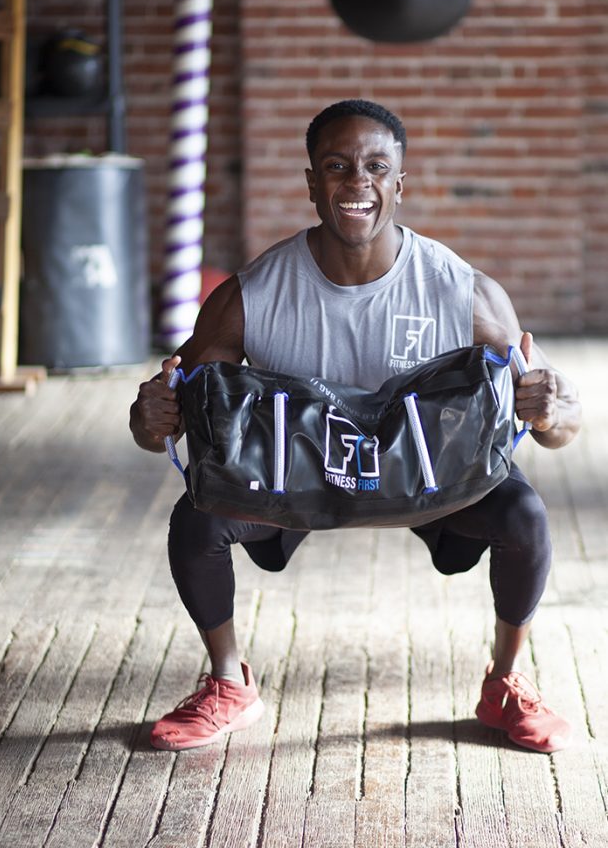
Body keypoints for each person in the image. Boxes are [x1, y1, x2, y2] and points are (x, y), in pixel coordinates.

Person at [129, 99, 581, 753]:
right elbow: (162, 426)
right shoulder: (250, 295)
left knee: (524, 515)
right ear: (312, 183)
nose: (356, 183)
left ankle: (507, 682)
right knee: (196, 519)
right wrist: (149, 415)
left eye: (376, 166)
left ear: (399, 183)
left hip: (428, 474)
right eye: (336, 167)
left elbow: (552, 428)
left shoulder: (463, 291)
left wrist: (552, 409)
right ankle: (229, 682)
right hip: (299, 476)